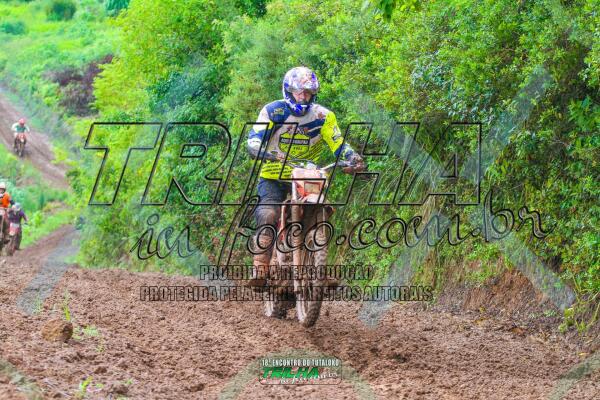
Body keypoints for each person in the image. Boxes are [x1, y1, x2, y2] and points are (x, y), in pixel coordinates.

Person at [246, 66, 364, 288]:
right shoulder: (273, 111)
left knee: (322, 209)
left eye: (308, 92)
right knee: (268, 213)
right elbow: (255, 136)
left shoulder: (323, 116)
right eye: (299, 92)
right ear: (288, 91)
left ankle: (319, 267)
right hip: (274, 175)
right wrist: (258, 149)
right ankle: (260, 265)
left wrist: (352, 157)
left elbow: (338, 143)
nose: (303, 96)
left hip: (307, 175)